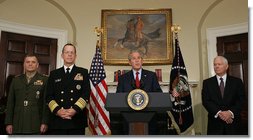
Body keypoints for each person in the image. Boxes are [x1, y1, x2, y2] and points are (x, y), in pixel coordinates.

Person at [116, 50, 167, 135]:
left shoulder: (151, 76)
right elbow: (118, 97)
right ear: (129, 62)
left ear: (142, 61)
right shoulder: (123, 78)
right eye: (133, 58)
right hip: (129, 117)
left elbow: (158, 94)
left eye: (139, 58)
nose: (137, 60)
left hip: (149, 117)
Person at [46, 43, 90, 135]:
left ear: (75, 56)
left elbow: (86, 94)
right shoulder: (54, 74)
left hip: (76, 120)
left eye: (72, 52)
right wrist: (58, 111)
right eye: (67, 52)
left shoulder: (83, 72)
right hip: (57, 121)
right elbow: (49, 96)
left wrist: (74, 109)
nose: (69, 54)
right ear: (62, 55)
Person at [5, 54, 49, 134]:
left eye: (33, 62)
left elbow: (46, 103)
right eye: (27, 62)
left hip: (36, 123)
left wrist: (45, 122)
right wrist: (8, 123)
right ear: (24, 64)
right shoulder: (16, 80)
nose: (30, 64)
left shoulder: (45, 80)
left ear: (37, 65)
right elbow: (10, 103)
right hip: (17, 124)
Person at [201, 56, 245, 135]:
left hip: (233, 123)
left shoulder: (237, 82)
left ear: (226, 66)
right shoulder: (207, 83)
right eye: (215, 64)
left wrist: (230, 113)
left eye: (219, 64)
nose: (216, 66)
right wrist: (220, 113)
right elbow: (206, 101)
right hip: (215, 124)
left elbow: (241, 100)